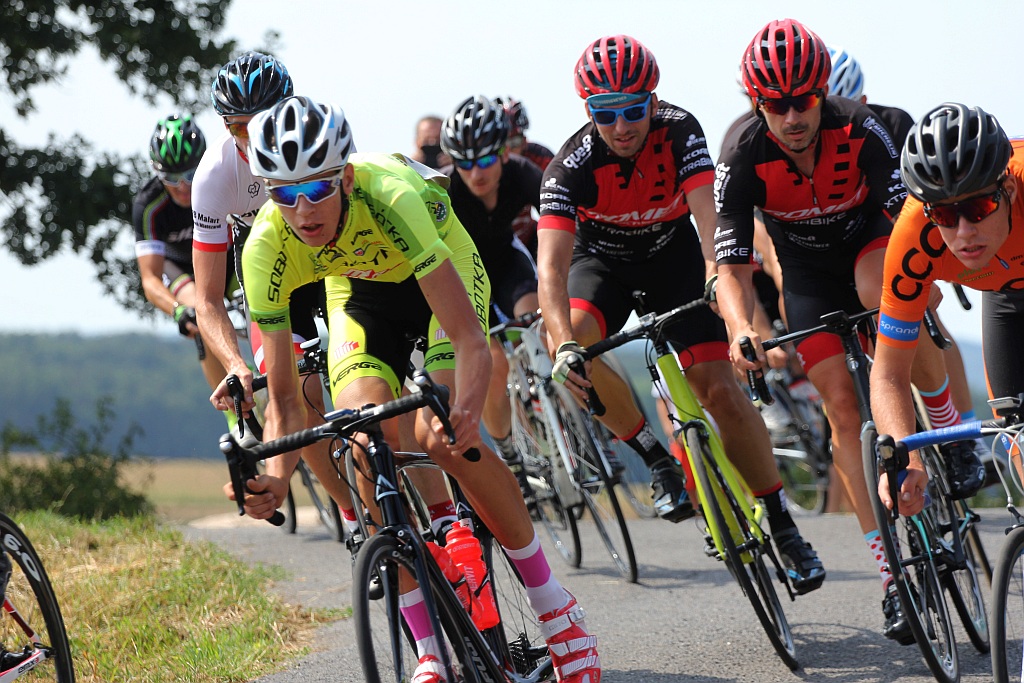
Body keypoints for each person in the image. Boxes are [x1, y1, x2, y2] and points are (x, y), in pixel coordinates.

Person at [232, 95, 601, 683]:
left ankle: (554, 608)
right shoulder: (265, 248)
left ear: (346, 177)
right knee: (359, 440)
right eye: (283, 193)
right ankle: (431, 650)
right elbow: (280, 400)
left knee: (443, 437)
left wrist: (465, 410)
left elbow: (469, 340)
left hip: (441, 276)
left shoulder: (392, 196)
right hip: (359, 296)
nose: (302, 211)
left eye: (317, 189)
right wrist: (274, 479)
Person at [713, 18, 980, 642]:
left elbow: (905, 222)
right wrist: (742, 327)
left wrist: (930, 275)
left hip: (870, 243)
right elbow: (730, 266)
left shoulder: (861, 128)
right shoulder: (741, 150)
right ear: (757, 102)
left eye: (803, 99)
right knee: (837, 404)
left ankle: (948, 427)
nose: (792, 115)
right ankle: (892, 578)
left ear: (821, 90)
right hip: (804, 270)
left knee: (880, 294)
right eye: (776, 105)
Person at [536, 34, 824, 594]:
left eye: (633, 110)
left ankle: (784, 525)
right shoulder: (567, 168)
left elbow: (710, 226)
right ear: (587, 111)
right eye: (605, 114)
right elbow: (551, 272)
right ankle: (654, 455)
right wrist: (566, 342)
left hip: (672, 259)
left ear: (653, 100)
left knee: (719, 387)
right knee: (568, 347)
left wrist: (721, 281)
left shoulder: (679, 130)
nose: (622, 127)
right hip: (603, 266)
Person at [190, 51, 359, 533]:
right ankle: (356, 515)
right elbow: (207, 299)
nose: (251, 137)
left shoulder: (317, 139)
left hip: (333, 254)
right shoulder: (215, 176)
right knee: (299, 398)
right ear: (225, 126)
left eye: (262, 121)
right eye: (239, 128)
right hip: (271, 268)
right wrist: (236, 364)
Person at [826, 46, 985, 436]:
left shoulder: (892, 123)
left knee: (930, 320)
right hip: (830, 251)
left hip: (889, 237)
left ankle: (963, 428)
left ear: (861, 102)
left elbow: (920, 201)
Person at [873, 103, 1013, 515]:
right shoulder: (913, 237)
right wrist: (906, 458)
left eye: (979, 209)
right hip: (1007, 301)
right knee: (1016, 431)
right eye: (946, 215)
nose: (964, 231)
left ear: (1011, 192)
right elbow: (888, 374)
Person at [438, 95, 542, 502]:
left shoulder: (522, 172)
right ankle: (511, 453)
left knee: (535, 319)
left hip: (506, 261)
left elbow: (559, 221)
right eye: (464, 163)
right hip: (464, 274)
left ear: (503, 152)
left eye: (484, 161)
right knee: (493, 361)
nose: (475, 173)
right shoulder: (445, 190)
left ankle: (548, 400)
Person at [132, 114, 238, 428]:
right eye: (171, 176)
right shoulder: (149, 205)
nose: (182, 186)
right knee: (200, 316)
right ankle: (236, 422)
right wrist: (179, 312)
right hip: (184, 270)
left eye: (191, 174)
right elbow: (150, 279)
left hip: (230, 260)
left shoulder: (223, 180)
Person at [494, 96, 554, 256]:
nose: (508, 151)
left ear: (524, 141)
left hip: (529, 238)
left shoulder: (540, 158)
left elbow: (559, 205)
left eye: (514, 143)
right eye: (502, 144)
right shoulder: (477, 164)